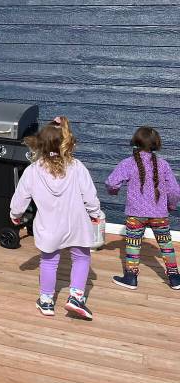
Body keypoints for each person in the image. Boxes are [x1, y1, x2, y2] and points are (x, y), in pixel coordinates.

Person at [10, 117, 101, 319]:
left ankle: (46, 301)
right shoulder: (76, 167)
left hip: (49, 227)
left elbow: (20, 198)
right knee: (82, 257)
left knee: (49, 262)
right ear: (65, 143)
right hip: (76, 224)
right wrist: (95, 213)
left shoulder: (32, 171)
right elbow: (89, 195)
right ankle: (76, 297)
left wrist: (15, 216)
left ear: (40, 145)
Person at [105, 126, 180, 290]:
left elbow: (111, 182)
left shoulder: (128, 163)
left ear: (136, 141)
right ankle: (175, 279)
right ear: (156, 144)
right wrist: (171, 205)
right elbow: (175, 190)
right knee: (166, 245)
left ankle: (131, 278)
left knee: (133, 244)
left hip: (135, 213)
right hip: (159, 213)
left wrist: (114, 192)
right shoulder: (163, 164)